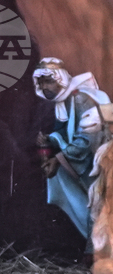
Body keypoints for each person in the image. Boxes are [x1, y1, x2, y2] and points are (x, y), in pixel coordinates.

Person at [33, 57, 110, 240]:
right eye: (41, 83)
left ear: (60, 79)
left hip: (98, 162)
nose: (45, 87)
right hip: (85, 163)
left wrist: (58, 159)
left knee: (98, 207)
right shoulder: (64, 101)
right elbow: (66, 131)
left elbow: (87, 139)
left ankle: (96, 251)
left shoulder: (81, 99)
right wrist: (49, 140)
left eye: (49, 81)